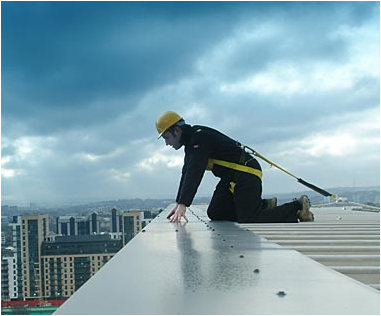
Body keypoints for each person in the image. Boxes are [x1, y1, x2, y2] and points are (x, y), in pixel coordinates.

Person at [156, 111, 315, 224]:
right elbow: (187, 172)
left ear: (177, 130)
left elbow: (195, 170)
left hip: (246, 173)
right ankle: (264, 205)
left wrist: (184, 203)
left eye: (167, 138)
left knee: (249, 218)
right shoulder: (192, 142)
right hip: (232, 177)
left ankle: (297, 207)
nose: (167, 143)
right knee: (216, 213)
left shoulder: (199, 139)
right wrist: (179, 202)